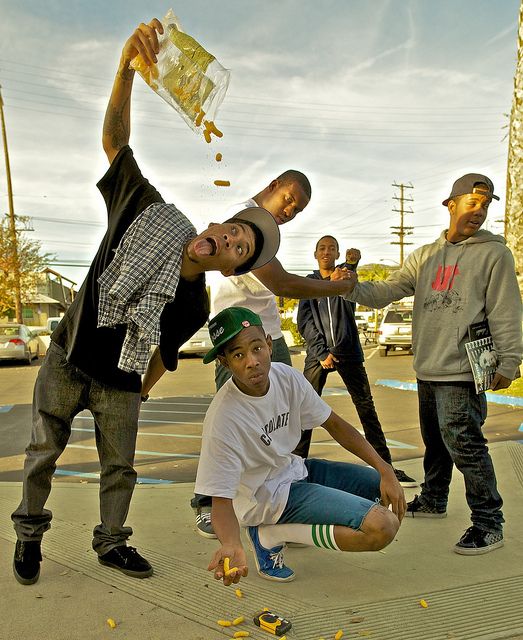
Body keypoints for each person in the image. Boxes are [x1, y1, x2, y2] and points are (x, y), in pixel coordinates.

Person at [11, 18, 281, 586]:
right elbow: (116, 141)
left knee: (121, 469)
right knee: (42, 453)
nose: (229, 241)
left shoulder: (195, 301)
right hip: (66, 357)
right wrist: (125, 69)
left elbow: (166, 351)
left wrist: (138, 393)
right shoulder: (149, 210)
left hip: (120, 383)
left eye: (239, 249)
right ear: (216, 223)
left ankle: (111, 543)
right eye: (233, 230)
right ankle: (29, 535)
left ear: (231, 266)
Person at [345, 173, 522, 555]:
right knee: (435, 442)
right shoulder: (425, 256)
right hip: (427, 367)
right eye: (472, 202)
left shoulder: (494, 254)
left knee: (465, 443)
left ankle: (489, 522)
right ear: (451, 204)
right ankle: (435, 497)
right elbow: (388, 291)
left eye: (486, 204)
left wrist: (510, 360)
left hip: (462, 370)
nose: (479, 211)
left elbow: (506, 311)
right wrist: (350, 286)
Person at [191, 172, 358, 537]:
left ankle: (280, 493)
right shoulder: (243, 218)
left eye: (297, 211)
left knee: (284, 415)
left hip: (268, 336)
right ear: (272, 187)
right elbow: (280, 282)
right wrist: (337, 287)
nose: (290, 211)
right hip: (237, 333)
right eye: (288, 200)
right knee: (232, 418)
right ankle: (208, 504)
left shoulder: (265, 231)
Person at [194, 307, 405, 584]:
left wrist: (385, 468)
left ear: (269, 345)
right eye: (238, 355)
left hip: (296, 471)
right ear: (224, 363)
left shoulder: (286, 377)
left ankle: (287, 527)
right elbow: (221, 499)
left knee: (381, 486)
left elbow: (335, 425)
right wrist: (232, 543)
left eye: (257, 347)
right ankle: (270, 535)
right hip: (265, 497)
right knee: (382, 528)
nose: (252, 361)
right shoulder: (224, 418)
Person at [296, 235, 417, 487]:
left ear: (338, 254)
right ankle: (293, 471)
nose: (326, 252)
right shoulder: (309, 284)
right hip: (319, 356)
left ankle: (387, 470)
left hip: (349, 352)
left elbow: (351, 286)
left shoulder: (344, 280)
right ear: (315, 254)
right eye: (322, 248)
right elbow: (304, 322)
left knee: (367, 410)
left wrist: (352, 265)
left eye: (331, 248)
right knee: (303, 410)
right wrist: (321, 353)